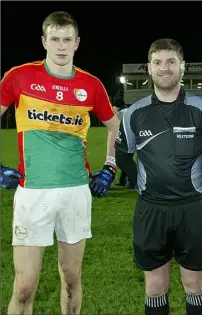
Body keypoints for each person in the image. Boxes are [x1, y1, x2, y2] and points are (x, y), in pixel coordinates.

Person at [0, 11, 119, 315]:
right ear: (44, 41)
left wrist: (109, 165)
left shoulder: (90, 85)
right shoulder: (19, 76)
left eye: (68, 40)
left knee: (71, 278)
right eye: (55, 39)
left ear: (77, 43)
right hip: (32, 192)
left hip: (75, 193)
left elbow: (113, 125)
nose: (61, 46)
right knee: (24, 286)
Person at [115, 38, 202, 315]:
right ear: (149, 68)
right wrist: (139, 183)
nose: (164, 68)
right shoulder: (134, 112)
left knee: (194, 285)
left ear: (183, 66)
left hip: (192, 209)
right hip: (151, 210)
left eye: (171, 62)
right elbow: (122, 155)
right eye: (157, 62)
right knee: (155, 286)